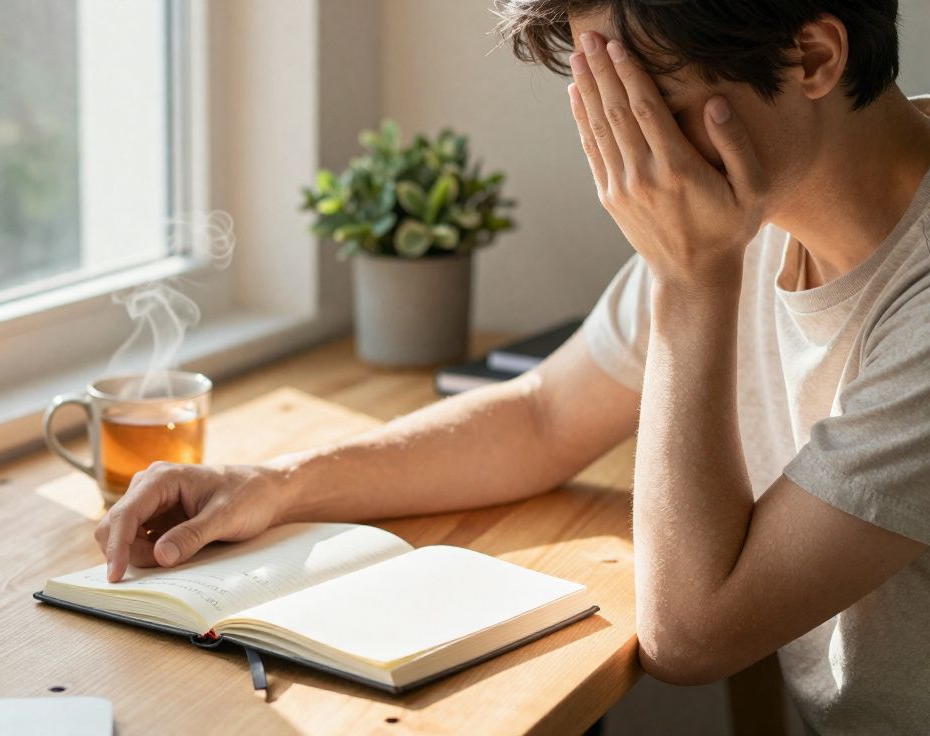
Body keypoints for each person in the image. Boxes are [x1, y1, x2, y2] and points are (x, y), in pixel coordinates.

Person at [97, 1, 930, 730]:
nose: (636, 163)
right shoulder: (741, 212)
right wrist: (277, 482)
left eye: (653, 109)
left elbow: (690, 635)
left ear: (813, 58)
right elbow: (542, 416)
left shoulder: (735, 248)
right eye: (607, 107)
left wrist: (689, 281)